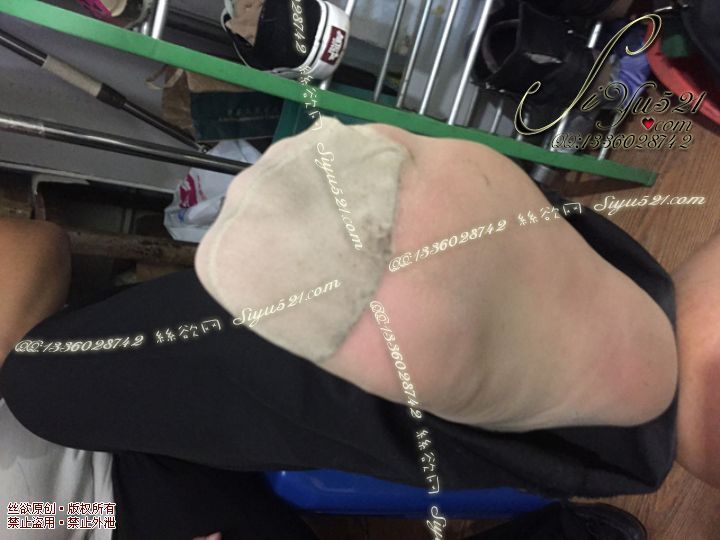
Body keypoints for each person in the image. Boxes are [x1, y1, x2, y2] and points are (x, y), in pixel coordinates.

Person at [0, 122, 714, 538]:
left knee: (38, 384)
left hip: (100, 449)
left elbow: (33, 250)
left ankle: (600, 408)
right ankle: (610, 390)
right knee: (47, 386)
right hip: (118, 519)